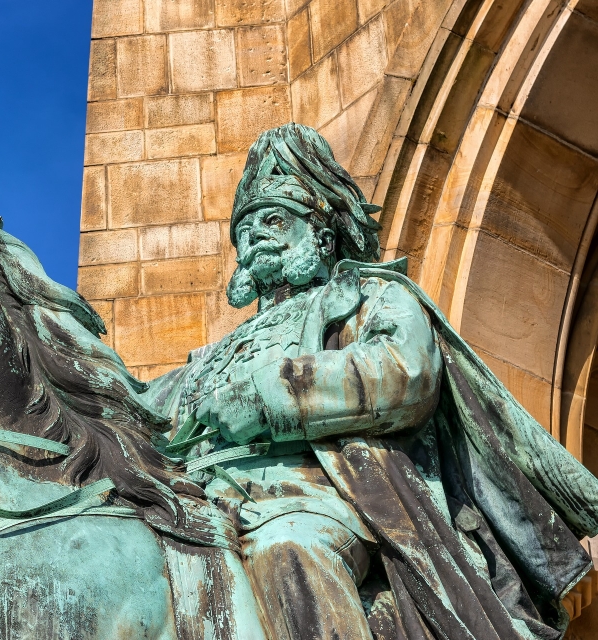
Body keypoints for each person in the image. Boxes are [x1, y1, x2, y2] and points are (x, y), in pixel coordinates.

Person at [142, 124, 598, 639]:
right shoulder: (207, 357)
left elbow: (406, 371)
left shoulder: (369, 297)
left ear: (321, 235)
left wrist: (273, 395)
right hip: (201, 499)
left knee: (286, 549)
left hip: (323, 496)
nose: (256, 238)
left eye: (274, 220)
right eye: (245, 231)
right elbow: (136, 410)